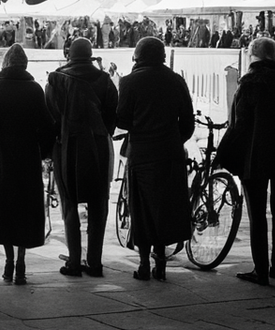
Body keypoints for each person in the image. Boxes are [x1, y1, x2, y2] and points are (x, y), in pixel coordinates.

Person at [222, 37, 275, 286]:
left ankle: (260, 270)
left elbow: (238, 122)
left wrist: (227, 151)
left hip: (255, 154)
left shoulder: (250, 81)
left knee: (257, 213)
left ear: (254, 55)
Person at [0, 43, 55, 285]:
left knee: (4, 210)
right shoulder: (34, 90)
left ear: (5, 63)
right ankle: (21, 261)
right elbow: (47, 127)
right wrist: (42, 153)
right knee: (24, 211)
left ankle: (8, 260)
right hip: (27, 160)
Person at [114, 36, 194, 281]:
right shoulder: (176, 81)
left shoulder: (129, 82)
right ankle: (161, 263)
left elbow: (121, 119)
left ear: (137, 57)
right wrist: (173, 140)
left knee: (141, 210)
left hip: (141, 154)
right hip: (169, 154)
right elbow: (188, 123)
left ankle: (143, 265)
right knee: (164, 209)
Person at [44, 37, 118, 277]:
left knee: (69, 203)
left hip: (66, 146)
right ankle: (94, 262)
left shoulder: (56, 80)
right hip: (98, 147)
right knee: (98, 204)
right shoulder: (105, 80)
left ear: (69, 54)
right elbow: (112, 117)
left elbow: (50, 117)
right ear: (90, 54)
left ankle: (74, 261)